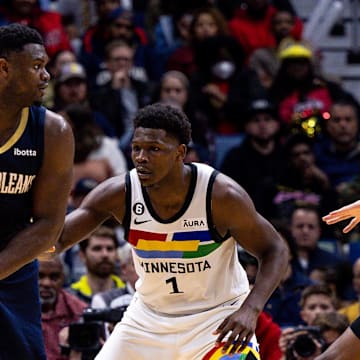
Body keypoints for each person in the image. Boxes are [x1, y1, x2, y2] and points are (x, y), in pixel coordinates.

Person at [54, 103, 289, 359]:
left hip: (217, 318)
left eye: (154, 149)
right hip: (148, 320)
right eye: (136, 148)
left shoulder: (221, 195)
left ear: (180, 153)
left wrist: (251, 309)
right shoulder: (119, 193)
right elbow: (58, 240)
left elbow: (275, 249)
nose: (142, 157)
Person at [0, 23, 74, 359]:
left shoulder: (53, 131)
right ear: (3, 68)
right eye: (36, 66)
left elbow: (48, 226)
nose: (46, 76)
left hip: (14, 263)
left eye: (46, 66)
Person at [39, 256, 87, 360]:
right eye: (39, 276)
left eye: (54, 277)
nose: (46, 283)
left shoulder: (79, 310)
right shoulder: (13, 310)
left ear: (63, 279)